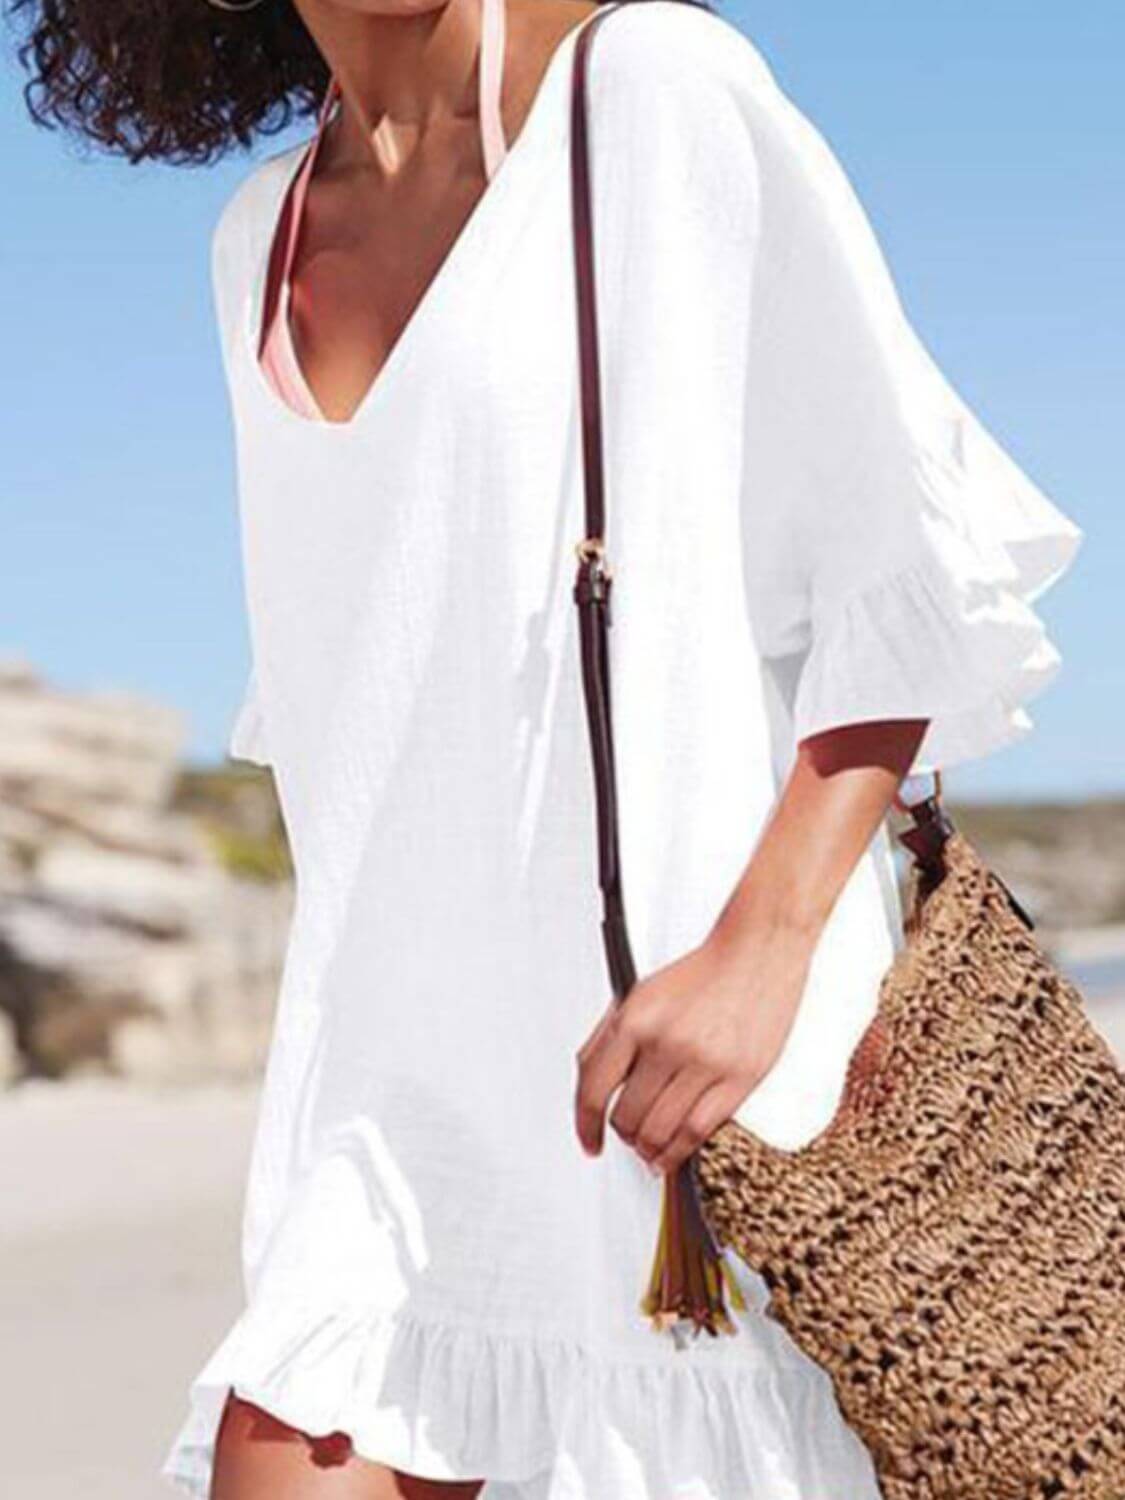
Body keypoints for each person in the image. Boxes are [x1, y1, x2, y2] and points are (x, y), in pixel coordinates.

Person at [13, 0, 1084, 1495]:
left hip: (692, 1104)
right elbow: (360, 711)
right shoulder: (254, 243)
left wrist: (760, 958)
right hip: (399, 1122)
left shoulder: (647, 93)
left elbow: (892, 567)